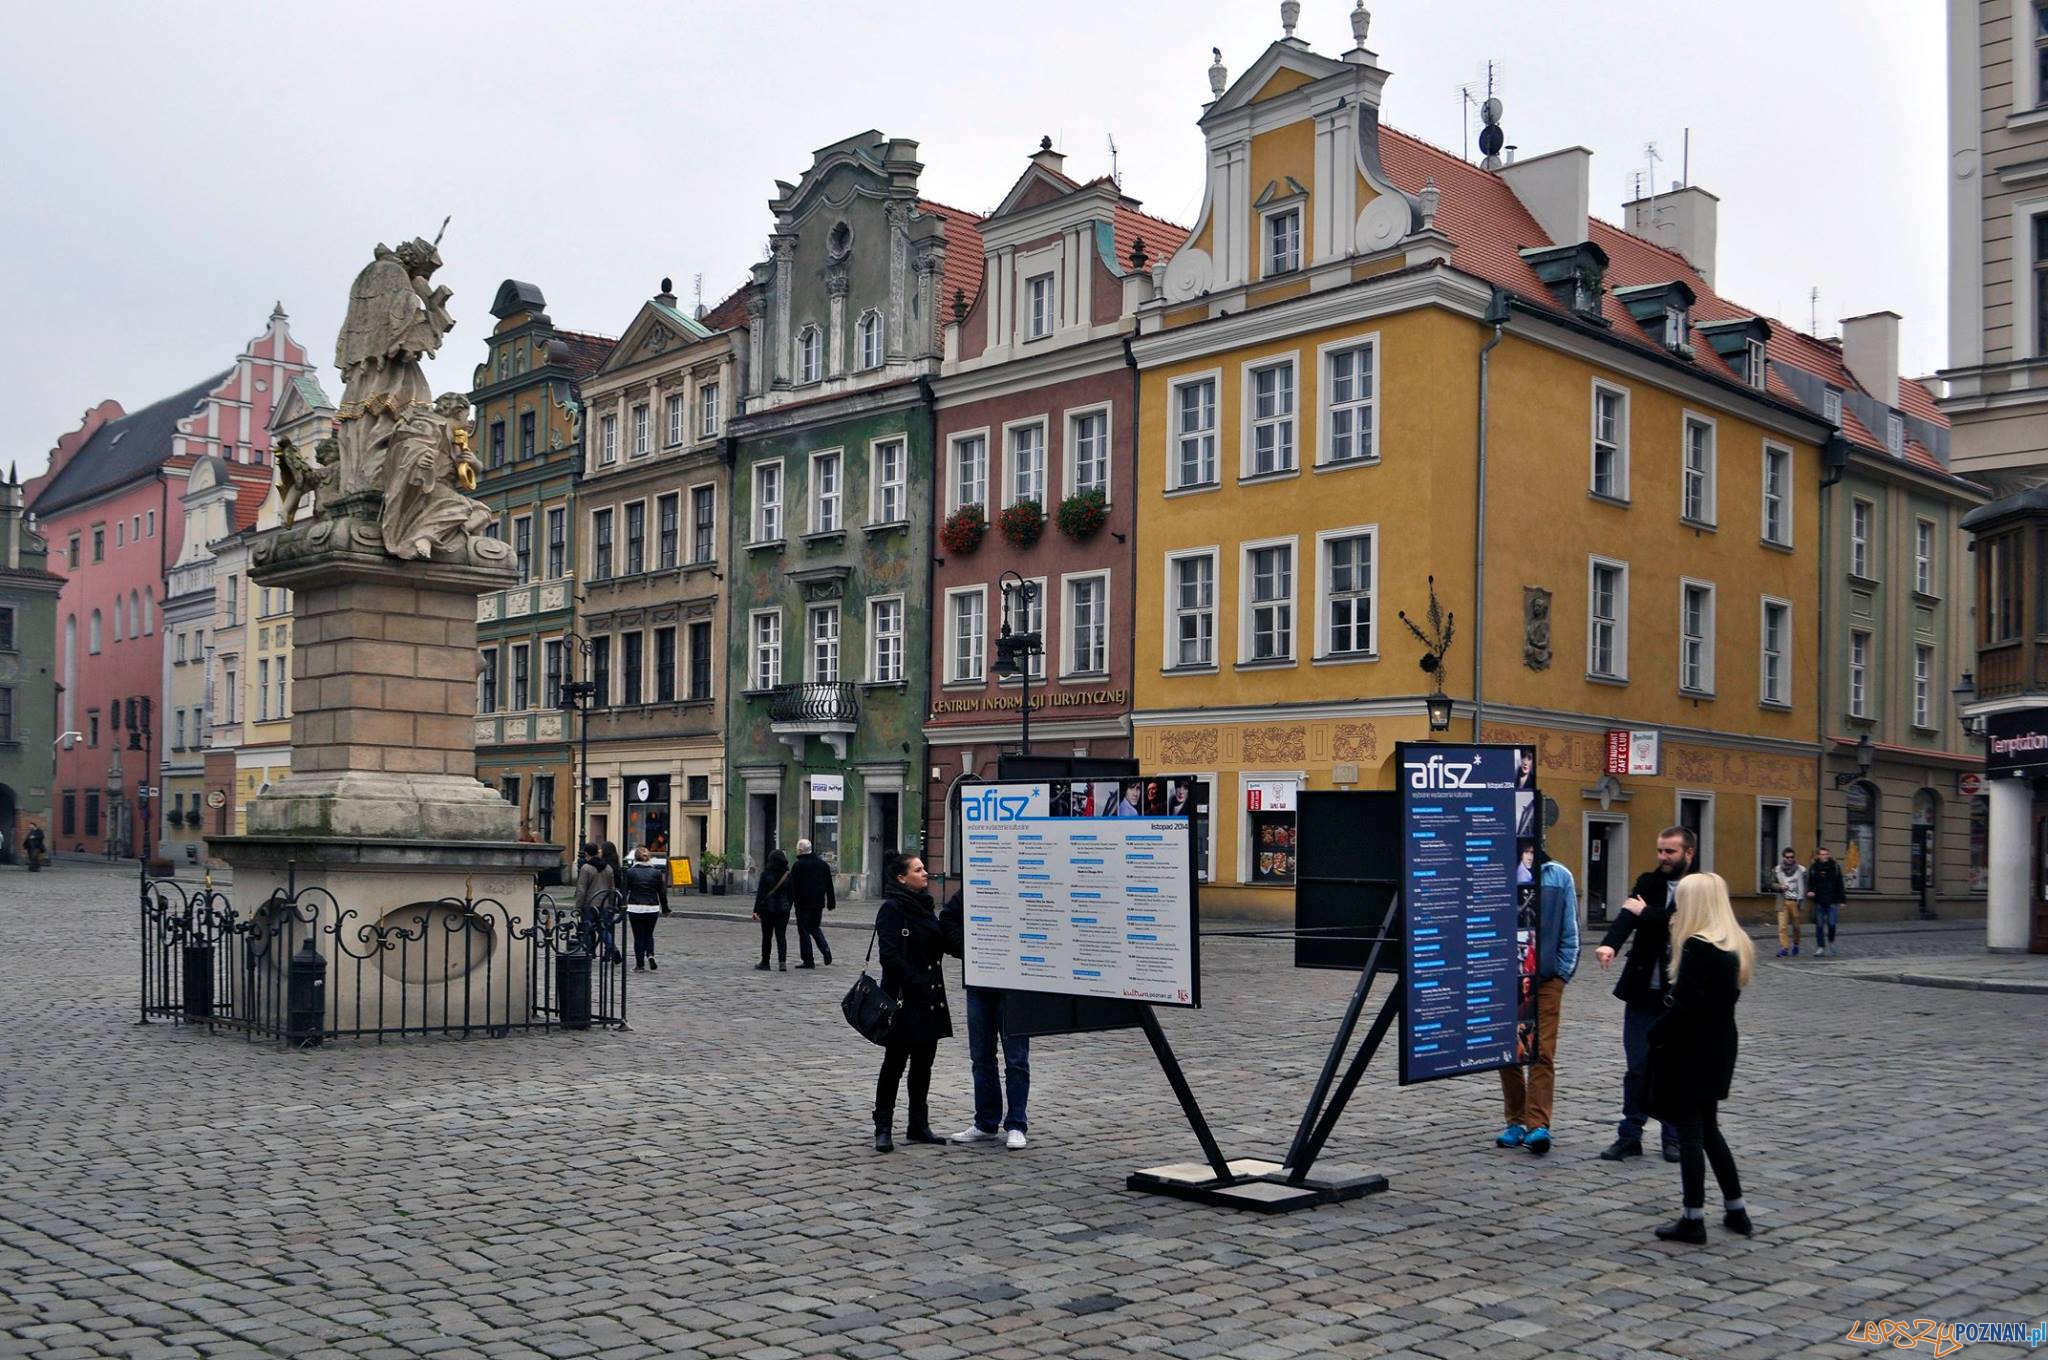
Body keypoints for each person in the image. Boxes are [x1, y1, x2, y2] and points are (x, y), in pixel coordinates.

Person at [1646, 872, 1754, 1243]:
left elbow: (1686, 1006)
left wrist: (1655, 1032)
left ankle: (1693, 1218)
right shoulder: (1733, 944)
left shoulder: (1697, 946)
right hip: (1720, 1045)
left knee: (1691, 1132)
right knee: (1709, 1128)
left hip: (1692, 1048)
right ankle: (1736, 1209)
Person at [1594, 825, 1696, 1164]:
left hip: (1678, 997)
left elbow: (1682, 924)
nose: (1663, 857)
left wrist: (1647, 913)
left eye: (1670, 851)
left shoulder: (1699, 888)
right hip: (1642, 993)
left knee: (1672, 1069)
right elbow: (1627, 916)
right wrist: (1610, 944)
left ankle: (1673, 1137)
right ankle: (1630, 1135)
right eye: (1660, 851)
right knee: (1637, 1067)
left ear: (1688, 853)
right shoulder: (1648, 882)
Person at [871, 851, 962, 1151]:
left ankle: (918, 1125)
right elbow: (889, 956)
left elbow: (945, 944)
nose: (925, 873)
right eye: (918, 869)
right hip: (903, 999)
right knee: (895, 1063)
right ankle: (883, 1126)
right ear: (902, 877)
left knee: (924, 1064)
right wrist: (915, 982)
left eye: (924, 869)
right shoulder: (892, 909)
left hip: (929, 999)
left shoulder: (925, 907)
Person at [1495, 848, 1579, 1155]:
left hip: (1545, 978)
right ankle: (1516, 1120)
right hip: (1506, 977)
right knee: (1510, 1051)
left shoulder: (1558, 876)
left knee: (1542, 1050)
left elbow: (1570, 930)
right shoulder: (1497, 871)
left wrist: (1560, 973)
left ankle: (1538, 1124)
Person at [948, 973, 1033, 1150]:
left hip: (1013, 984)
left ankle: (1017, 1123)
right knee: (981, 1057)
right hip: (978, 981)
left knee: (1016, 1060)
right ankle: (986, 1122)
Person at [787, 838, 835, 967]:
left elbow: (792, 887)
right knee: (815, 927)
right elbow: (829, 885)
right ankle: (825, 949)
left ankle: (808, 960)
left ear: (800, 850)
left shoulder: (798, 866)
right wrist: (831, 902)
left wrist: (788, 904)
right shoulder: (823, 865)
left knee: (804, 931)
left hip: (802, 904)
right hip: (818, 903)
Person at [620, 844, 669, 971]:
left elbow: (623, 891)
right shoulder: (656, 873)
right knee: (649, 934)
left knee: (638, 936)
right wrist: (665, 908)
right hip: (652, 907)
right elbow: (662, 892)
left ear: (635, 858)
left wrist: (619, 905)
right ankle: (650, 954)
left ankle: (640, 964)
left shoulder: (630, 872)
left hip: (635, 907)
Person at [573, 840, 619, 961]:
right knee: (603, 928)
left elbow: (582, 889)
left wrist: (578, 906)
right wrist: (612, 904)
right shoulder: (608, 868)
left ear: (586, 853)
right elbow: (612, 888)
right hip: (605, 903)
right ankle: (612, 948)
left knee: (587, 929)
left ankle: (589, 952)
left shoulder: (586, 868)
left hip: (590, 903)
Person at [752, 847, 793, 972]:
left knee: (767, 936)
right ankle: (782, 962)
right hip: (783, 910)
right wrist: (788, 906)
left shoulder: (766, 874)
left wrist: (756, 910)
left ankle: (765, 962)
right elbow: (791, 894)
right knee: (781, 936)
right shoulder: (788, 875)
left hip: (767, 910)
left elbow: (760, 894)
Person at [1806, 845, 1846, 957]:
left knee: (1832, 923)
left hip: (1832, 900)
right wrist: (1810, 891)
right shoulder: (1814, 868)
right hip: (1819, 901)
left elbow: (1840, 884)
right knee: (1819, 925)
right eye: (1822, 854)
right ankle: (1820, 947)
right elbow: (1810, 883)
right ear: (1818, 856)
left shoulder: (1835, 867)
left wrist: (1842, 900)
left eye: (1826, 854)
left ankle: (1831, 941)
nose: (1825, 856)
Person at [1773, 847, 1807, 958]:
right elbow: (1771, 883)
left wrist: (1802, 900)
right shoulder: (1777, 870)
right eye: (1787, 857)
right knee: (1782, 927)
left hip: (1795, 901)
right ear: (1784, 857)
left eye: (1792, 857)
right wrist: (1780, 886)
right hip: (1783, 901)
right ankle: (1784, 948)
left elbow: (1805, 885)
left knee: (1796, 927)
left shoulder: (1801, 870)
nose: (1790, 859)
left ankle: (1796, 944)